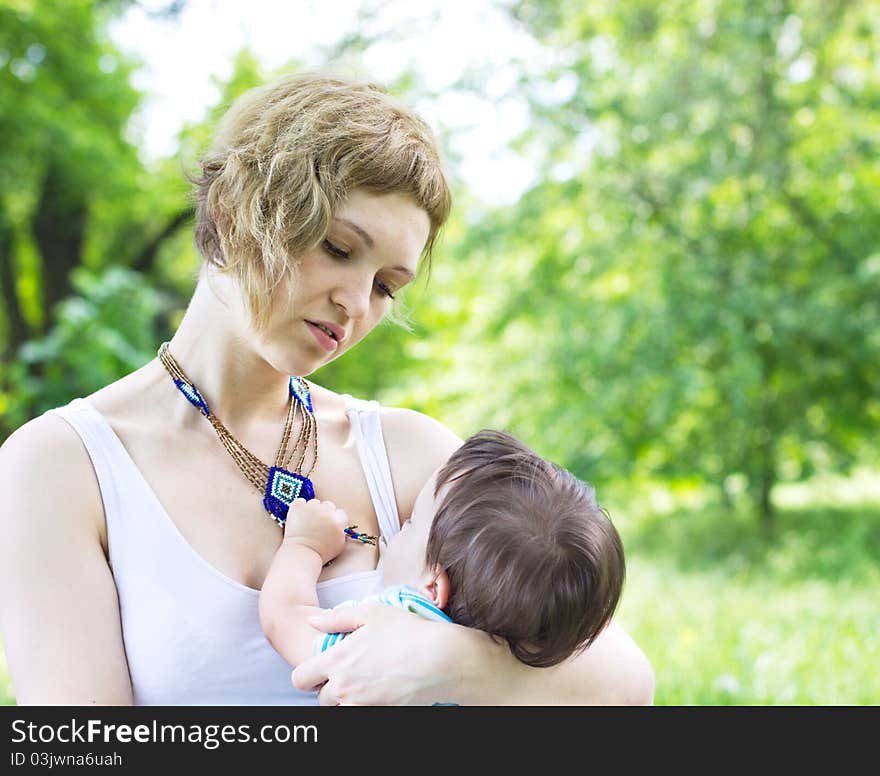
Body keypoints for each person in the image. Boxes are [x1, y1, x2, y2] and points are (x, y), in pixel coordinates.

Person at [0, 72, 653, 705]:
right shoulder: (59, 468)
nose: (355, 303)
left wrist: (453, 665)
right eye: (339, 248)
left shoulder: (404, 451)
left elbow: (626, 683)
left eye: (386, 285)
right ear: (233, 211)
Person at [260, 429, 626, 681]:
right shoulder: (520, 654)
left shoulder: (397, 632)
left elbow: (286, 621)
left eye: (411, 523)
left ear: (432, 588)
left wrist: (304, 546)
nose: (400, 524)